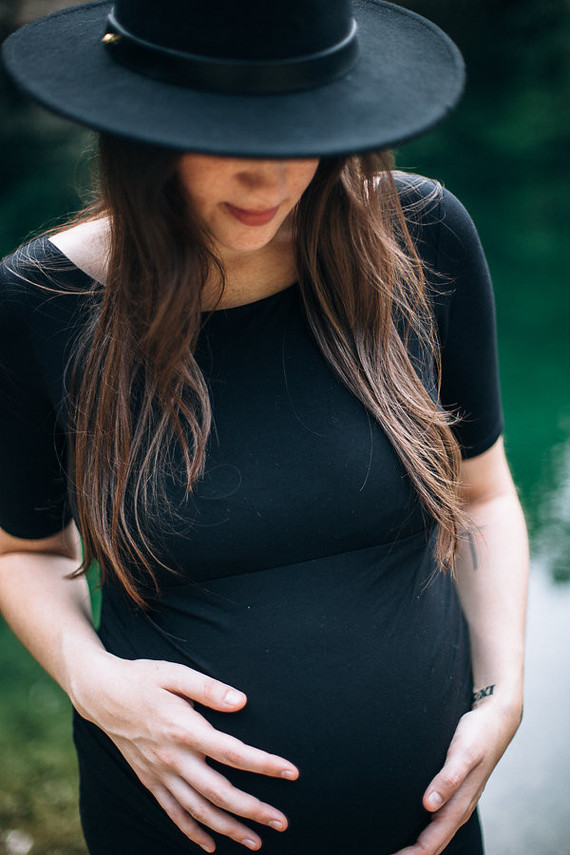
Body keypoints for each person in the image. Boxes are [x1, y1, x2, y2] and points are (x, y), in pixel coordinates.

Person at [0, 0, 528, 853]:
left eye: (303, 134)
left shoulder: (422, 232)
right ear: (140, 127)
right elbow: (27, 554)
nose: (275, 181)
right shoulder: (39, 303)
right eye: (232, 138)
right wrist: (94, 682)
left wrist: (502, 692)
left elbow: (484, 495)